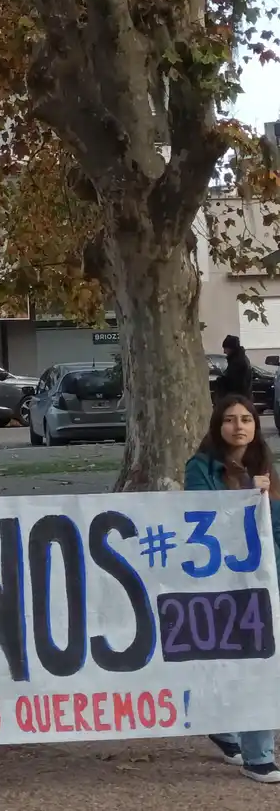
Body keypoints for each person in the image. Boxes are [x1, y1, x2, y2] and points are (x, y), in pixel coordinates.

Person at [188, 395, 280, 783]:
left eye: (246, 419)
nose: (238, 426)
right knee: (239, 660)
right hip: (221, 580)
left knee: (262, 662)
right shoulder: (200, 468)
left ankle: (239, 737)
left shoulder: (267, 468)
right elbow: (199, 517)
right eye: (229, 419)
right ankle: (255, 753)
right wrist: (244, 493)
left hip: (265, 578)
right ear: (217, 426)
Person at [218, 335, 256, 399]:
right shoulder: (237, 359)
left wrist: (221, 379)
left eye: (225, 348)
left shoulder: (238, 361)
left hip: (239, 398)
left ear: (232, 348)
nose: (224, 352)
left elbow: (234, 381)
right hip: (241, 396)